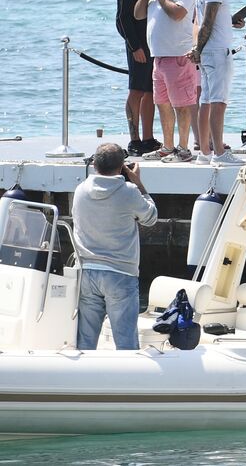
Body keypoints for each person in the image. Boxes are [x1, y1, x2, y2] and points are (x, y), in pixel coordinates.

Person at [72, 143, 158, 350]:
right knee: (126, 342)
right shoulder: (129, 192)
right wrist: (139, 184)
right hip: (120, 273)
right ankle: (127, 381)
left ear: (94, 164)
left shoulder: (80, 190)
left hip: (86, 272)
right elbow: (151, 218)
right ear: (122, 167)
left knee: (85, 342)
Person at [133, 0, 198, 161]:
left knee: (181, 105)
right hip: (159, 58)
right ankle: (168, 146)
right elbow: (138, 15)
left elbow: (178, 14)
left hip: (178, 56)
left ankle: (184, 148)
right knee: (162, 103)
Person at [191, 0, 243, 165]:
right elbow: (207, 24)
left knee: (207, 102)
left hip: (210, 51)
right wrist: (198, 49)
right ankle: (219, 153)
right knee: (219, 102)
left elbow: (209, 21)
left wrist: (230, 23)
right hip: (216, 52)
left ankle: (204, 152)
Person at [116, 0, 157, 155]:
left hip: (153, 40)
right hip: (138, 43)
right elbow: (122, 18)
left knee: (151, 90)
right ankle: (134, 139)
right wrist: (134, 47)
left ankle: (148, 138)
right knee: (136, 90)